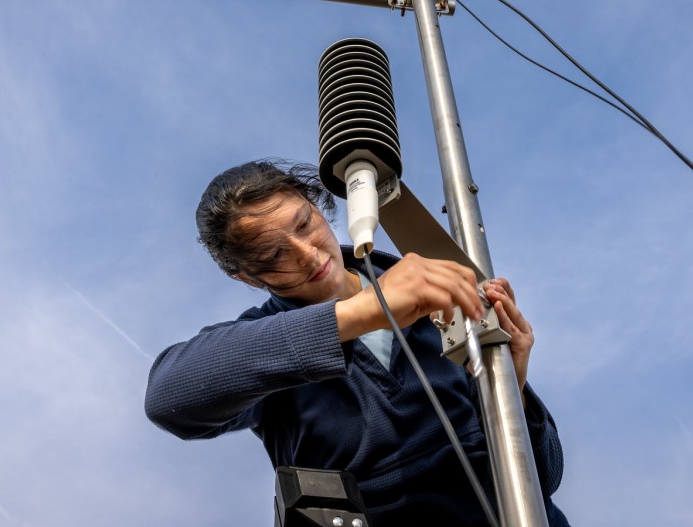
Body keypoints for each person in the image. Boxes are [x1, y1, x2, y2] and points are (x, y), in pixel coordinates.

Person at [145, 160, 571, 526]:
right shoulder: (262, 349)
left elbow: (546, 476)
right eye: (273, 256)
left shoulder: (442, 293)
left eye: (304, 224)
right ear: (246, 277)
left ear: (319, 207)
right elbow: (169, 397)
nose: (307, 255)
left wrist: (512, 393)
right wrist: (362, 312)